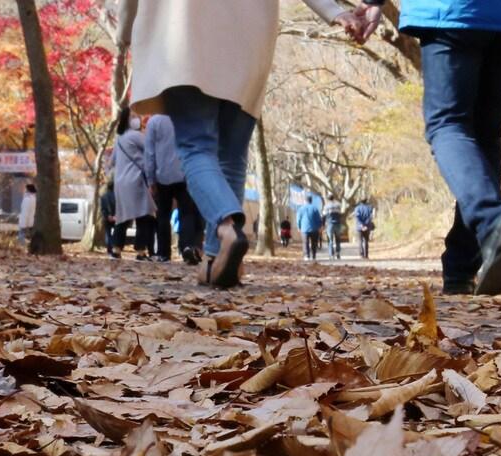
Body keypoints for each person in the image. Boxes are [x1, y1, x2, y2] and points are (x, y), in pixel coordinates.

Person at [121, 0, 364, 288]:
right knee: (232, 157)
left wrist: (125, 32)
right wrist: (335, 12)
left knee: (195, 148)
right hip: (248, 44)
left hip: (183, 41)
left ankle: (227, 228)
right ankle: (216, 263)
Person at [356, 0, 501, 296]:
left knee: (447, 124)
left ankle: (492, 219)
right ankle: (462, 268)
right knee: (486, 136)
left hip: (451, 12)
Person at [144, 113, 203, 265]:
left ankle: (164, 253)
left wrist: (150, 179)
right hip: (185, 174)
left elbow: (149, 153)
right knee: (187, 213)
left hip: (162, 175)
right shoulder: (186, 116)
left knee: (162, 215)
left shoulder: (154, 121)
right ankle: (187, 247)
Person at [114, 107, 158, 261]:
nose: (137, 119)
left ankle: (116, 248)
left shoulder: (118, 138)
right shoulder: (136, 136)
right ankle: (140, 250)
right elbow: (152, 149)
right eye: (133, 116)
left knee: (122, 216)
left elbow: (112, 161)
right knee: (144, 215)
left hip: (120, 182)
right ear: (127, 119)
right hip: (135, 180)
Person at [100, 180, 119, 259]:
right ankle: (114, 249)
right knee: (115, 233)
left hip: (107, 218)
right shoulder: (118, 196)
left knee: (108, 233)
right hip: (116, 217)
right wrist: (115, 216)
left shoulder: (103, 196)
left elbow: (103, 209)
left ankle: (109, 249)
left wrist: (108, 216)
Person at [17, 183, 36, 248]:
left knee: (21, 236)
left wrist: (23, 223)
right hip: (31, 220)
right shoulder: (34, 198)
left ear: (28, 190)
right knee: (31, 235)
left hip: (25, 220)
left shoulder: (27, 199)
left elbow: (25, 212)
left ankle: (23, 247)